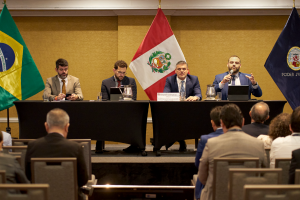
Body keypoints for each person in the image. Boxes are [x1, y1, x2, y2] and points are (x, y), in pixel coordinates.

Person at [198, 104, 266, 200]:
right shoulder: (259, 144)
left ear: (222, 123)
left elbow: (202, 177)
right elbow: (264, 175)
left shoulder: (211, 144)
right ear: (243, 122)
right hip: (247, 196)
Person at [25, 108, 88, 200]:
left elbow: (28, 177)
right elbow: (82, 180)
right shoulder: (75, 148)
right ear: (67, 127)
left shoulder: (33, 146)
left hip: (40, 197)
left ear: (46, 126)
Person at [98, 60, 138, 153]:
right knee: (100, 117)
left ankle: (135, 146)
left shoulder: (131, 81)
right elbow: (105, 100)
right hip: (111, 111)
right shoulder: (106, 82)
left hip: (127, 111)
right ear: (114, 70)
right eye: (119, 72)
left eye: (124, 72)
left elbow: (134, 99)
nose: (122, 75)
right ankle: (99, 146)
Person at [163, 60, 202, 151]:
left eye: (184, 69)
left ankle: (174, 140)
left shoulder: (194, 79)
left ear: (187, 70)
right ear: (175, 71)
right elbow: (166, 94)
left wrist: (195, 97)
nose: (182, 71)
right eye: (179, 69)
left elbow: (199, 94)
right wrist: (177, 98)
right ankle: (179, 140)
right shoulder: (170, 79)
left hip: (190, 111)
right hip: (174, 110)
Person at [195, 106, 223, 200]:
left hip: (208, 186)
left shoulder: (205, 139)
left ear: (212, 122)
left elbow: (198, 164)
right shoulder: (236, 138)